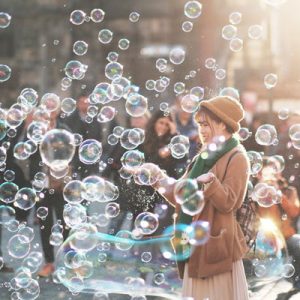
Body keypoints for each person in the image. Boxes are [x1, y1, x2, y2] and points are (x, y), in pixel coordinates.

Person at [154, 96, 250, 300]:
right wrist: (156, 178)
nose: (202, 130)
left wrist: (211, 182)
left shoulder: (237, 156)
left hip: (218, 253)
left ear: (223, 124)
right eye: (199, 125)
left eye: (206, 124)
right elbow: (181, 193)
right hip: (194, 245)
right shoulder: (203, 157)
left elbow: (229, 202)